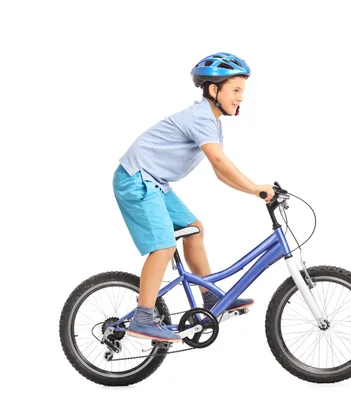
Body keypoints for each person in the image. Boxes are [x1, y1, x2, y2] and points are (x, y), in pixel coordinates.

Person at [112, 52, 275, 342]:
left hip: (155, 181)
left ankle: (210, 300)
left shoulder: (212, 123)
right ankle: (143, 317)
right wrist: (254, 188)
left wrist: (254, 192)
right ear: (214, 90)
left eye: (242, 92)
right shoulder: (201, 118)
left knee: (195, 228)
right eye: (235, 90)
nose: (241, 98)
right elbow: (220, 163)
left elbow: (219, 172)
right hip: (136, 179)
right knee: (162, 246)